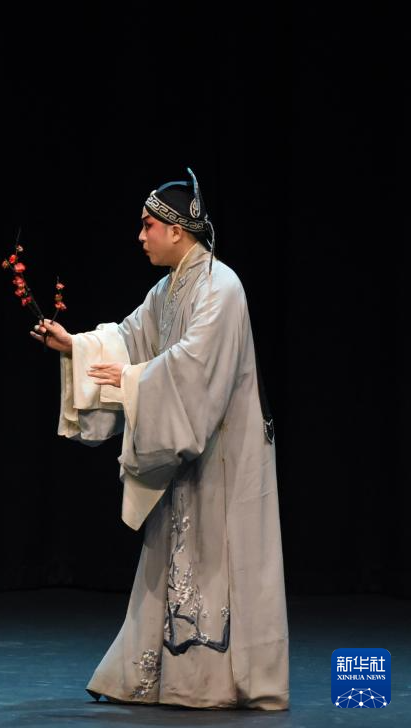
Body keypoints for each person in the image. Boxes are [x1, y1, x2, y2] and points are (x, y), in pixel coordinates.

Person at [30, 170, 288, 710]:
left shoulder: (221, 288)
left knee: (217, 556)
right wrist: (74, 346)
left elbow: (194, 368)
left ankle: (219, 682)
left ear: (177, 230)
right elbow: (131, 337)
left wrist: (130, 381)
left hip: (225, 449)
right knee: (174, 553)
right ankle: (161, 677)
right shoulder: (168, 290)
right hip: (187, 445)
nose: (140, 235)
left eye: (148, 225)